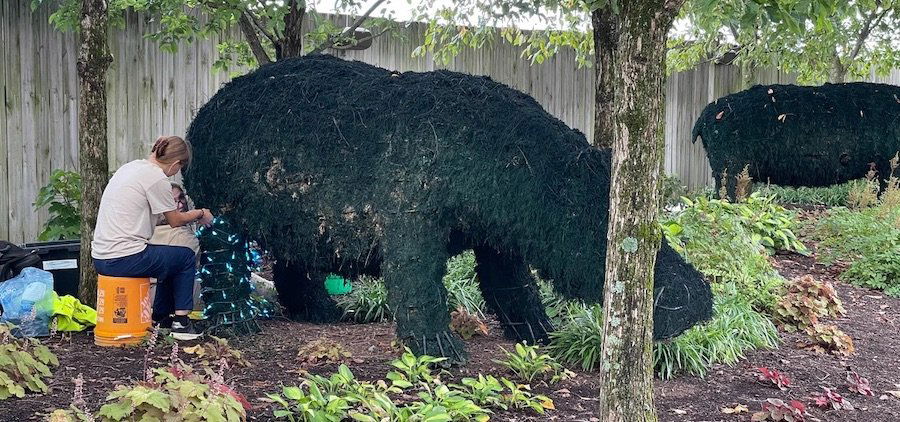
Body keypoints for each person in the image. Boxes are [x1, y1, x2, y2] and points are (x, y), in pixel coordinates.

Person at [92, 135, 213, 340]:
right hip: (124, 257)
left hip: (101, 257)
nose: (177, 173)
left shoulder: (129, 168)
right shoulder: (157, 178)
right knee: (184, 257)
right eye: (179, 168)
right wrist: (201, 213)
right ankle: (182, 324)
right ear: (176, 163)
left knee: (168, 257)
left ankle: (161, 317)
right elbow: (174, 219)